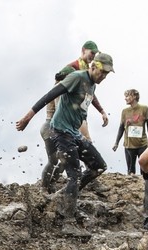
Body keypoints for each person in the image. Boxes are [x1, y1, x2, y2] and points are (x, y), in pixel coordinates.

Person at [15, 52, 114, 234]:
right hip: (60, 131)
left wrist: (102, 111)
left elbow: (91, 97)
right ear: (93, 67)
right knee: (74, 174)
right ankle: (68, 221)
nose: (104, 77)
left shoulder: (92, 84)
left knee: (98, 166)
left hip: (74, 133)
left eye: (107, 75)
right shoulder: (76, 77)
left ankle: (64, 194)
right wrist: (27, 117)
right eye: (102, 73)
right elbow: (50, 94)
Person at [64, 40, 109, 137]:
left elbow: (90, 94)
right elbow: (59, 87)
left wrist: (102, 111)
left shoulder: (87, 71)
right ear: (83, 50)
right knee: (86, 143)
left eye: (94, 54)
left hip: (80, 115)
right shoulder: (74, 67)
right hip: (68, 116)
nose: (93, 56)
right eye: (92, 53)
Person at [40, 66, 74, 194]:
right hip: (52, 127)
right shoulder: (60, 88)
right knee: (57, 159)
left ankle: (49, 185)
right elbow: (61, 109)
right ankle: (45, 187)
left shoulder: (58, 87)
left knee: (60, 159)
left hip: (50, 127)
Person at [112, 89, 148, 175]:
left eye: (127, 96)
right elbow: (121, 128)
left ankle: (144, 186)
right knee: (130, 170)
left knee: (144, 169)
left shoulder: (144, 109)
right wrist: (116, 142)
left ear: (134, 96)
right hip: (129, 144)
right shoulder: (125, 111)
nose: (125, 98)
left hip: (142, 143)